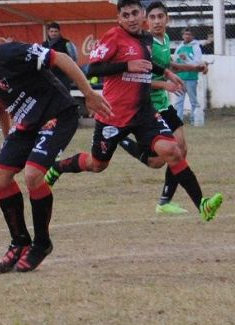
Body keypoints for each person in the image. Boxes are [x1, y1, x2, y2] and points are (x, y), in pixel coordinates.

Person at [0, 22, 111, 272]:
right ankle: (19, 242)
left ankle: (42, 244)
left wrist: (88, 93)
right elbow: (0, 109)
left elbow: (61, 58)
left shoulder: (11, 53)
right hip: (26, 124)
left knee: (33, 175)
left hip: (57, 114)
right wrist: (8, 145)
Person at [44, 0, 223, 223]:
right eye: (126, 15)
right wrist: (126, 66)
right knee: (97, 164)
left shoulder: (147, 39)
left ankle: (202, 204)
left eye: (135, 13)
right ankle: (58, 167)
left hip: (143, 112)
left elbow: (146, 63)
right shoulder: (113, 37)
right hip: (113, 115)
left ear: (142, 15)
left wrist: (167, 72)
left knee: (173, 150)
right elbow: (93, 68)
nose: (131, 18)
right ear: (119, 18)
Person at [117, 1, 209, 216]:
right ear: (146, 21)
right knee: (157, 161)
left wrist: (195, 67)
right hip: (148, 105)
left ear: (168, 19)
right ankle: (121, 139)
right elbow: (138, 80)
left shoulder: (165, 39)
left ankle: (165, 201)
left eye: (160, 17)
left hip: (163, 102)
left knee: (180, 149)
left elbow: (168, 65)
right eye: (152, 17)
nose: (157, 21)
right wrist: (165, 85)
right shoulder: (146, 45)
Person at [173, 28, 203, 123]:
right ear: (182, 35)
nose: (187, 36)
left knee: (193, 100)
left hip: (191, 77)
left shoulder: (196, 47)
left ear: (193, 36)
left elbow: (197, 63)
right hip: (180, 77)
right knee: (179, 101)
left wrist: (186, 59)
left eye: (189, 34)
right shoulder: (180, 47)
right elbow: (175, 60)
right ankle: (178, 120)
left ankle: (194, 119)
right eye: (185, 34)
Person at [42, 22, 79, 91]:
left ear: (59, 32)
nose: (53, 33)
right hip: (48, 76)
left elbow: (74, 58)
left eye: (55, 31)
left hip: (63, 76)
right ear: (48, 32)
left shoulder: (66, 43)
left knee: (64, 95)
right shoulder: (44, 44)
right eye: (51, 31)